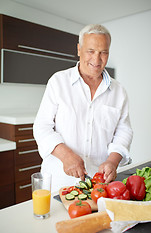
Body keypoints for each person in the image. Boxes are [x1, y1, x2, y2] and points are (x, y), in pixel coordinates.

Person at [33, 24, 133, 192]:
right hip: (59, 181)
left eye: (103, 52)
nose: (97, 59)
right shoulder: (58, 82)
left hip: (98, 184)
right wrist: (66, 155)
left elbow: (124, 130)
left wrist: (113, 161)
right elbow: (42, 127)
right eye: (91, 51)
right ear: (79, 49)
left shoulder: (119, 91)